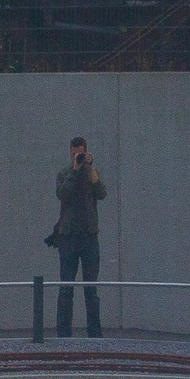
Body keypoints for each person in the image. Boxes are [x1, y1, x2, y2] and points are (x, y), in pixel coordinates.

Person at [53, 136, 106, 338]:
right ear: (70, 152)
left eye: (81, 153)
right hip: (68, 238)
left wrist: (90, 170)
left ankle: (95, 335)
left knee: (91, 290)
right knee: (66, 289)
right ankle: (63, 335)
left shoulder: (92, 174)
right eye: (74, 153)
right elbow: (62, 194)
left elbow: (102, 193)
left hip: (90, 237)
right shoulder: (64, 173)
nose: (77, 156)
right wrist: (75, 171)